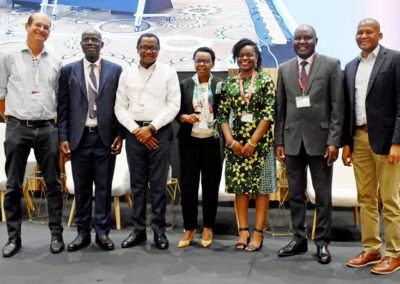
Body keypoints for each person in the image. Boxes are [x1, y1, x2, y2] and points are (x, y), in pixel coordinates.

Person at [274, 24, 344, 264]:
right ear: (292, 41)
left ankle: (322, 242)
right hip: (292, 141)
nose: (301, 41)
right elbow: (280, 109)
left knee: (323, 196)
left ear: (316, 40)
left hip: (322, 142)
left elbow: (337, 106)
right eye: (297, 38)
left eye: (307, 38)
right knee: (295, 194)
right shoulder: (283, 69)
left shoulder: (331, 64)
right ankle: (298, 238)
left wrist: (334, 141)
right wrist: (279, 141)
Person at [0, 13, 64, 257]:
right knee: (14, 185)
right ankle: (13, 238)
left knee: (54, 185)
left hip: (47, 127)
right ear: (27, 26)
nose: (42, 30)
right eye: (37, 25)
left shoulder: (56, 60)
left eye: (46, 27)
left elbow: (58, 96)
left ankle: (56, 234)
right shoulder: (8, 56)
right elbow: (0, 91)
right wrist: (11, 119)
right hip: (18, 126)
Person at [342, 18, 400, 275]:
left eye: (368, 31)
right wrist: (346, 143)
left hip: (387, 142)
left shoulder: (394, 60)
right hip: (359, 138)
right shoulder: (351, 66)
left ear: (380, 35)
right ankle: (371, 248)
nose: (363, 35)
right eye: (359, 32)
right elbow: (347, 108)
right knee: (365, 198)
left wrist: (397, 142)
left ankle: (394, 253)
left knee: (389, 199)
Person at [57, 29, 123, 252]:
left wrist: (120, 135)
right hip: (79, 139)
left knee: (103, 189)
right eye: (86, 40)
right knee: (82, 188)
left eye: (95, 40)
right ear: (81, 44)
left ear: (102, 45)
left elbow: (120, 107)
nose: (90, 43)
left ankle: (102, 232)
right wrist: (63, 137)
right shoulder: (68, 71)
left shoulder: (115, 70)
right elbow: (63, 108)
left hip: (105, 139)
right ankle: (82, 232)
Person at [114, 33, 180, 250]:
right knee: (138, 185)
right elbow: (119, 107)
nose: (149, 51)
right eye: (145, 47)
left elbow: (173, 105)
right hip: (134, 134)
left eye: (153, 47)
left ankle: (159, 231)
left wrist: (151, 129)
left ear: (159, 50)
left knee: (159, 186)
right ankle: (138, 230)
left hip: (158, 132)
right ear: (137, 48)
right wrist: (136, 130)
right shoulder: (126, 74)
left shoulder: (168, 73)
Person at [218, 38, 277, 252]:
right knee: (240, 189)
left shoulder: (265, 80)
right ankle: (243, 230)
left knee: (262, 189)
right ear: (236, 57)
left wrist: (253, 142)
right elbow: (222, 116)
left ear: (256, 57)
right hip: (235, 145)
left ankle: (258, 232)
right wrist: (231, 141)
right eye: (241, 55)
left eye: (249, 55)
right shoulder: (230, 83)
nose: (245, 58)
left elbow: (269, 114)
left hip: (260, 144)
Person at [176, 47, 224, 248]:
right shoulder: (184, 84)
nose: (201, 64)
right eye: (198, 60)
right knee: (188, 186)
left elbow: (226, 112)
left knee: (210, 186)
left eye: (206, 61)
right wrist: (184, 117)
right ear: (193, 62)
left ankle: (208, 227)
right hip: (189, 142)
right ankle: (189, 228)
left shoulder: (220, 85)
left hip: (212, 142)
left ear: (213, 63)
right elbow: (176, 111)